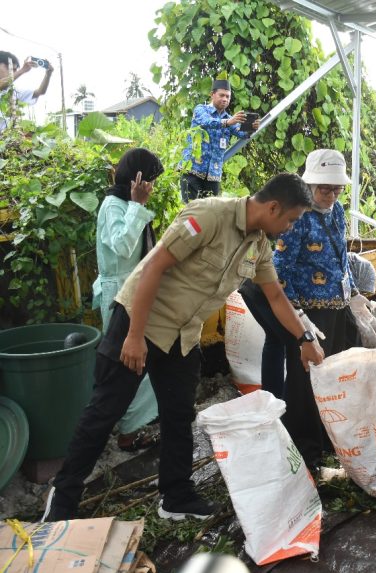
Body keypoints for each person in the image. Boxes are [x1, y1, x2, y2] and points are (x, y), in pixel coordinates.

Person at [43, 173, 325, 522]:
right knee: (105, 411)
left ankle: (176, 496)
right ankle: (64, 496)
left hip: (183, 335)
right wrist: (134, 335)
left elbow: (275, 296)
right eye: (291, 219)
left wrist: (305, 338)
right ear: (273, 207)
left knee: (178, 416)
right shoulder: (209, 215)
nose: (291, 227)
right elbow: (154, 267)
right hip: (141, 321)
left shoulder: (259, 245)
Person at [241, 149, 363, 472]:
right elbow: (280, 270)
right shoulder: (298, 218)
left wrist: (353, 293)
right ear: (310, 185)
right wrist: (299, 315)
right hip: (309, 309)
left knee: (331, 375)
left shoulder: (336, 212)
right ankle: (305, 450)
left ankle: (326, 439)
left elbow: (341, 256)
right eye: (325, 189)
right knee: (305, 379)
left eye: (337, 189)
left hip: (336, 305)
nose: (331, 195)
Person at [93, 148, 163, 452]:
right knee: (128, 364)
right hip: (119, 292)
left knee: (140, 362)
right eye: (148, 180)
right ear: (135, 178)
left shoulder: (126, 203)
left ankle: (133, 426)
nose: (151, 187)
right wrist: (137, 206)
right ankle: (127, 432)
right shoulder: (113, 205)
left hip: (134, 289)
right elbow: (122, 246)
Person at [179, 78, 260, 202]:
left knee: (211, 215)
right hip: (192, 172)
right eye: (222, 95)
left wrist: (251, 128)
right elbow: (207, 122)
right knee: (191, 213)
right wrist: (227, 122)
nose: (225, 99)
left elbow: (242, 134)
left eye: (228, 96)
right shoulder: (200, 109)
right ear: (212, 94)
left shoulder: (229, 118)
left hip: (213, 176)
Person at [0, 51, 54, 132]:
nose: (13, 73)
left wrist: (48, 74)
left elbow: (39, 92)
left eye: (15, 70)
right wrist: (22, 70)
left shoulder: (12, 92)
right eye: (11, 69)